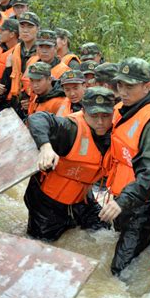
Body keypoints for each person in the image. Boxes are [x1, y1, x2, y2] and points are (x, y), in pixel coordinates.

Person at [99, 57, 150, 276]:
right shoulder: (127, 108)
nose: (122, 91)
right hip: (123, 197)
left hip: (143, 204)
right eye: (120, 84)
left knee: (118, 270)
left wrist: (123, 201)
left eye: (129, 86)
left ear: (147, 86)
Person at [24, 87, 114, 241]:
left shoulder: (116, 131)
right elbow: (37, 118)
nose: (100, 122)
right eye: (94, 115)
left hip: (83, 200)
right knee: (41, 245)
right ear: (84, 112)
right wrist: (45, 147)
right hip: (47, 204)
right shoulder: (69, 128)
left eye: (105, 116)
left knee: (104, 232)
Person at [0, 18, 19, 111]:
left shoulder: (19, 53)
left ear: (12, 34)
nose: (0, 33)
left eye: (3, 31)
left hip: (9, 101)